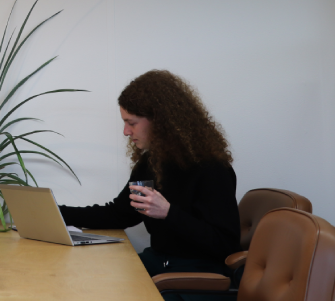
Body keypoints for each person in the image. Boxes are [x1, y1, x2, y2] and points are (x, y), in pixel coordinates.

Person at [59, 70, 240, 286]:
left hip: (193, 275)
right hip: (159, 263)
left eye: (132, 123)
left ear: (160, 120)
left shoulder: (211, 168)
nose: (126, 132)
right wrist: (57, 213)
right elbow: (119, 215)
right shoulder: (151, 163)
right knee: (89, 277)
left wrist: (168, 213)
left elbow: (225, 244)